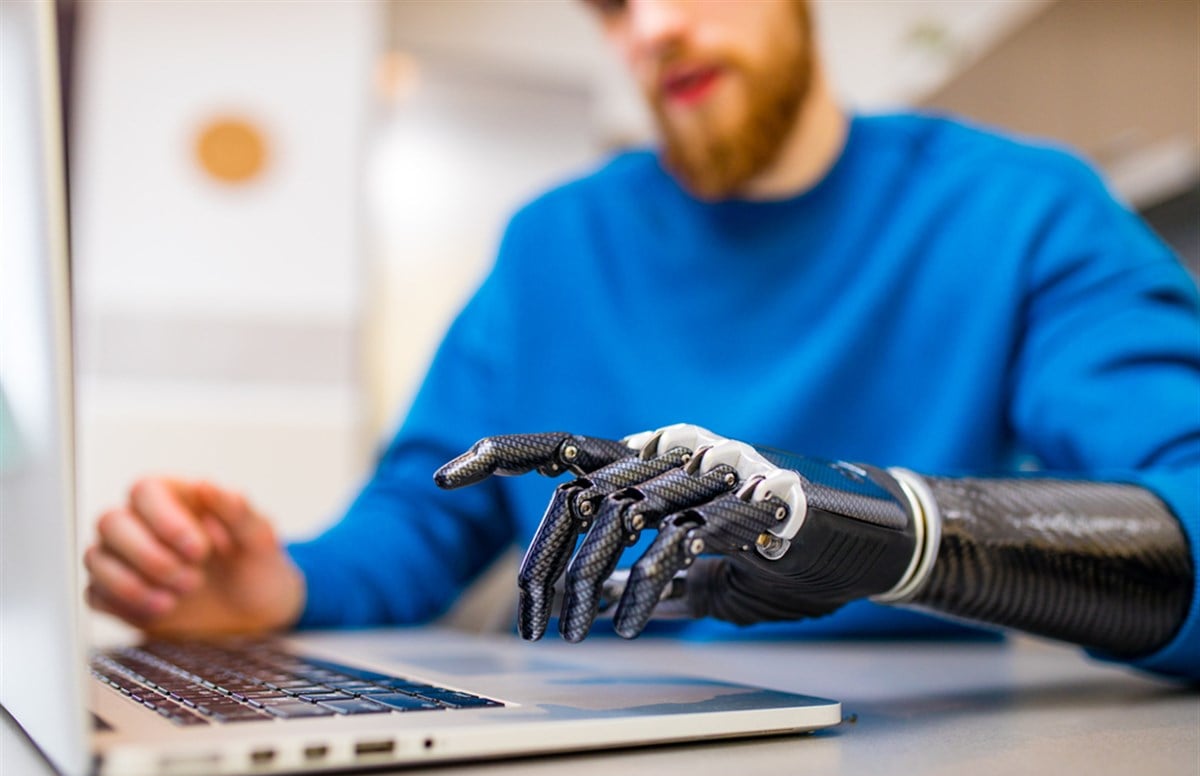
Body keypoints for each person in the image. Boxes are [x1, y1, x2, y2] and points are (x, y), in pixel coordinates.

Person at [84, 0, 1199, 680]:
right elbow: (421, 517)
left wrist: (881, 526)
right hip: (573, 745)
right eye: (614, 2)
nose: (652, 25)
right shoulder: (551, 243)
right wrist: (278, 585)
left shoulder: (1021, 210)